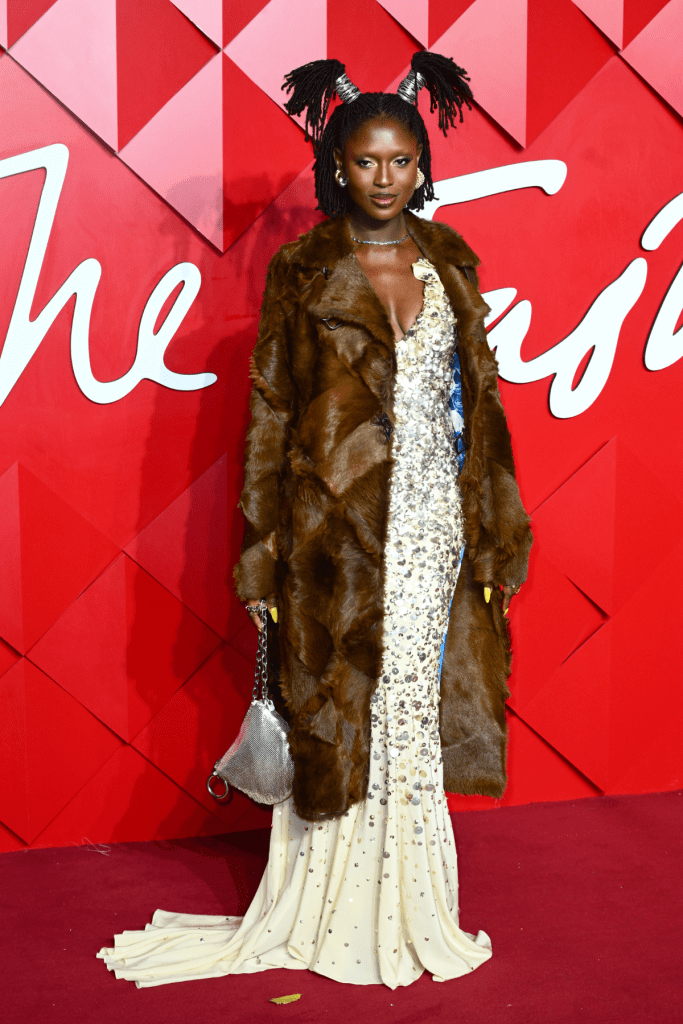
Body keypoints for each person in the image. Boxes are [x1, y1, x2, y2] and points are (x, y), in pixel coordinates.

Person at [98, 51, 532, 990]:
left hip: (432, 531)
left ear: (423, 167)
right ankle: (327, 906)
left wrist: (495, 531)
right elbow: (270, 417)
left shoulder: (450, 263)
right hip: (331, 540)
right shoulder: (302, 271)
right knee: (341, 707)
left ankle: (410, 905)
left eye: (401, 162)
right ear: (337, 166)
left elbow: (483, 409)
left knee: (408, 711)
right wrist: (261, 561)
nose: (385, 179)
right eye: (366, 161)